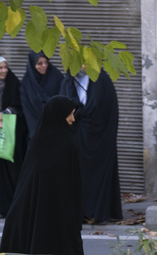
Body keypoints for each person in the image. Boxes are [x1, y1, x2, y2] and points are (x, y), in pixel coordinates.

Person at [0, 95, 84, 255]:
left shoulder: (47, 140)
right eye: (70, 114)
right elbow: (28, 180)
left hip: (58, 206)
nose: (73, 119)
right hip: (54, 207)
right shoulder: (55, 141)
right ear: (58, 115)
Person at [60, 66, 123, 224]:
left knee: (98, 175)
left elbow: (107, 110)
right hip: (76, 137)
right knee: (77, 175)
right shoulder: (68, 81)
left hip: (99, 138)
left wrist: (83, 114)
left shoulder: (101, 80)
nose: (81, 66)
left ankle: (99, 212)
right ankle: (80, 213)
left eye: (84, 61)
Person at [0, 56, 28, 219]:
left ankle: (14, 205)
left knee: (12, 170)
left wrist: (4, 114)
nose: (3, 71)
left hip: (12, 136)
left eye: (5, 67)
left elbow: (21, 105)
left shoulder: (14, 83)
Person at [20, 50, 63, 139]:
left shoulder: (57, 77)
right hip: (35, 129)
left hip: (56, 127)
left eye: (46, 62)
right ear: (33, 65)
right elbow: (27, 109)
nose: (44, 66)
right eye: (39, 63)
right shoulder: (26, 84)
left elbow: (64, 99)